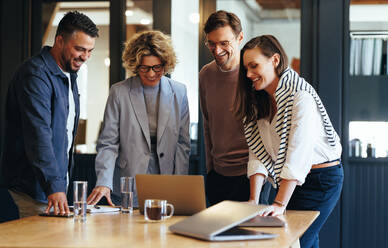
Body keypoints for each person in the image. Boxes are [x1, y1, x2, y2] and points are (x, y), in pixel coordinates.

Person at [234, 35, 344, 248]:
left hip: (321, 180)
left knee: (295, 239)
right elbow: (257, 152)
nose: (248, 74)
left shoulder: (300, 97)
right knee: (300, 241)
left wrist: (278, 203)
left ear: (274, 60)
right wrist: (253, 200)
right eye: (245, 68)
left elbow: (298, 153)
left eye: (254, 66)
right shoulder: (261, 102)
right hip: (290, 180)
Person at [1, 11, 98, 218]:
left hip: (52, 189)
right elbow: (39, 135)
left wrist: (59, 185)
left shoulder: (69, 75)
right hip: (33, 190)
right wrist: (54, 186)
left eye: (90, 51)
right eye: (80, 49)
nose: (85, 57)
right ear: (60, 40)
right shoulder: (35, 74)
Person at [87, 30, 190, 207]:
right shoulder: (119, 92)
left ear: (166, 64)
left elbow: (182, 144)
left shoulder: (179, 92)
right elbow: (108, 143)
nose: (151, 74)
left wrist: (179, 185)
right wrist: (103, 181)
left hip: (166, 175)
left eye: (156, 67)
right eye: (144, 68)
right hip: (128, 175)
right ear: (135, 65)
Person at [199, 10, 270, 205]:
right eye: (211, 44)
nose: (217, 50)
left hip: (252, 176)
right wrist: (210, 169)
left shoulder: (254, 74)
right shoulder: (205, 74)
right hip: (218, 176)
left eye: (224, 43)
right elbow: (208, 123)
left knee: (249, 234)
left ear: (239, 38)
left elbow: (266, 131)